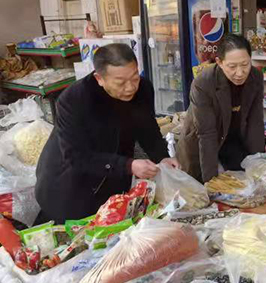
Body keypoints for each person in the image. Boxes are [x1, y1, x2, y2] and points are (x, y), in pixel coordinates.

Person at [35, 44, 179, 224]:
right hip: (69, 184)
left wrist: (163, 157)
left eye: (134, 77)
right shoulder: (74, 100)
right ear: (99, 78)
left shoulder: (143, 89)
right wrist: (128, 165)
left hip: (112, 177)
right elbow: (75, 156)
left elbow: (148, 130)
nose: (130, 88)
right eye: (120, 82)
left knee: (114, 227)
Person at [177, 34, 265, 183]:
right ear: (219, 62)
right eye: (232, 66)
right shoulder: (203, 83)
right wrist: (211, 184)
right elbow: (207, 134)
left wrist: (260, 166)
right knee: (203, 192)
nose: (240, 73)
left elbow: (255, 123)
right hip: (202, 144)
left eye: (245, 64)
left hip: (232, 140)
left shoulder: (255, 77)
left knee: (245, 184)